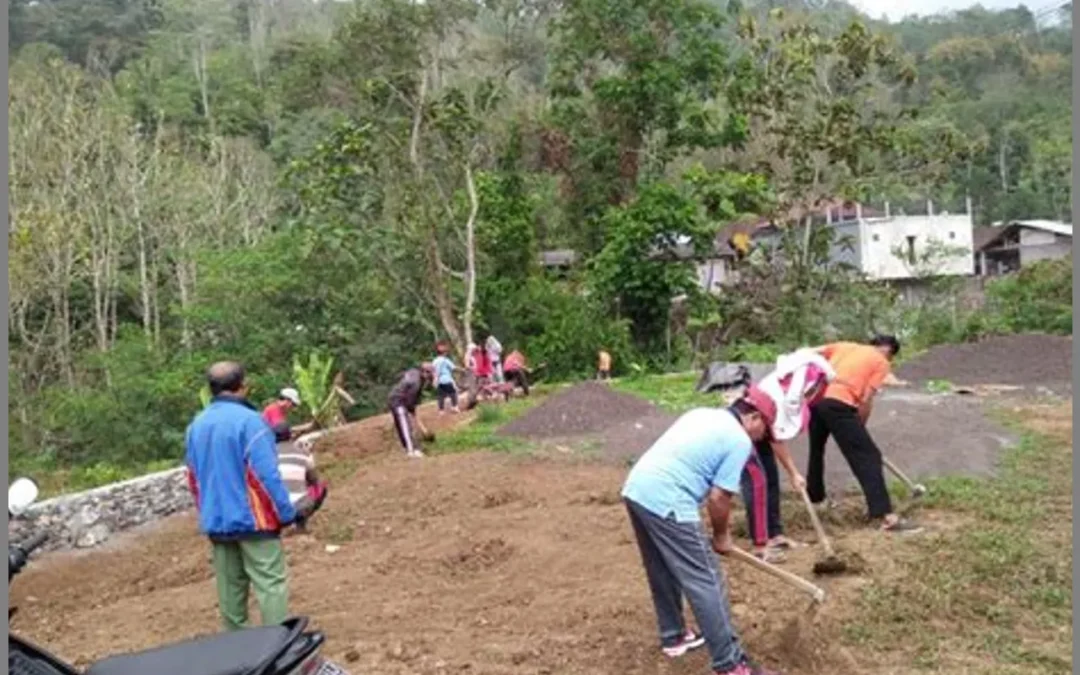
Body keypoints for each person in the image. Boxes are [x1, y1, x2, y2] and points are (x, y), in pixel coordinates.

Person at [621, 386, 782, 675]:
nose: (763, 438)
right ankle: (731, 664)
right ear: (754, 417)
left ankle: (674, 635)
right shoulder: (738, 440)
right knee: (707, 578)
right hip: (669, 499)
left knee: (661, 567)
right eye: (765, 430)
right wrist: (721, 536)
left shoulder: (702, 414)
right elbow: (719, 498)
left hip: (637, 489)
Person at [185, 362, 311, 631]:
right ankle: (276, 647)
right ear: (243, 385)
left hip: (218, 522)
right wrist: (286, 513)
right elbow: (266, 475)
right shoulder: (251, 422)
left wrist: (207, 512)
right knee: (270, 583)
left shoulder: (196, 426)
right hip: (254, 520)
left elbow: (193, 479)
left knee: (230, 593)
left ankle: (238, 654)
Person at [806, 335, 921, 534]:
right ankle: (886, 516)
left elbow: (808, 352)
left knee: (816, 451)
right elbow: (866, 399)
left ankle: (816, 500)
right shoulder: (881, 362)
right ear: (889, 352)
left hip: (815, 403)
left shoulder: (846, 346)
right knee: (869, 457)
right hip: (839, 404)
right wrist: (860, 426)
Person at [739, 349, 835, 562]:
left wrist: (792, 472)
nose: (815, 391)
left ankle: (775, 534)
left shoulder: (791, 388)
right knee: (757, 482)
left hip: (762, 432)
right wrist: (793, 472)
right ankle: (761, 543)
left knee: (771, 479)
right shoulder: (776, 392)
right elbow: (777, 438)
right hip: (745, 431)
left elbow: (774, 435)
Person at [275, 429, 329, 534]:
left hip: (275, 508)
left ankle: (277, 526)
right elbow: (314, 480)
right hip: (299, 506)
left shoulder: (267, 455)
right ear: (290, 436)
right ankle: (300, 524)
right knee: (320, 488)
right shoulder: (303, 453)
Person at [388, 363, 435, 458]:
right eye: (429, 374)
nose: (429, 377)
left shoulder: (414, 373)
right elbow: (410, 401)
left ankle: (411, 448)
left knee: (402, 425)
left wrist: (412, 410)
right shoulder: (416, 383)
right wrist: (412, 411)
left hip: (396, 399)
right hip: (398, 400)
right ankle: (412, 451)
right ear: (424, 372)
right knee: (404, 425)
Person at [432, 342, 460, 414]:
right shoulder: (445, 360)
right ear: (444, 353)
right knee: (453, 393)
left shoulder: (434, 361)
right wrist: (463, 370)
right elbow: (454, 368)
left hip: (439, 381)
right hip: (447, 380)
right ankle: (455, 407)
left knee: (441, 396)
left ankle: (441, 410)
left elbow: (433, 371)